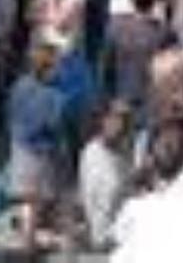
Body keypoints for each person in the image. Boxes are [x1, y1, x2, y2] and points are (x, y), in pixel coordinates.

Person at [2, 42, 68, 254]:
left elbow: (10, 110)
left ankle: (26, 232)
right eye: (57, 65)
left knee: (26, 199)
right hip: (41, 155)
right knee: (34, 202)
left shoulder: (20, 84)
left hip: (19, 147)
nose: (60, 70)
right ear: (47, 68)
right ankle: (28, 246)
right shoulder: (55, 96)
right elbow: (55, 125)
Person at [101, 0, 175, 112]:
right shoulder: (163, 33)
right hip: (147, 101)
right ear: (155, 0)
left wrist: (108, 99)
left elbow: (106, 67)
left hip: (119, 97)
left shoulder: (115, 26)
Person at [79, 102, 135, 252]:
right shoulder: (92, 153)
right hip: (105, 239)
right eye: (114, 118)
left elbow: (127, 193)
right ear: (103, 121)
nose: (119, 124)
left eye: (124, 120)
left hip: (124, 234)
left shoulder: (124, 154)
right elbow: (100, 197)